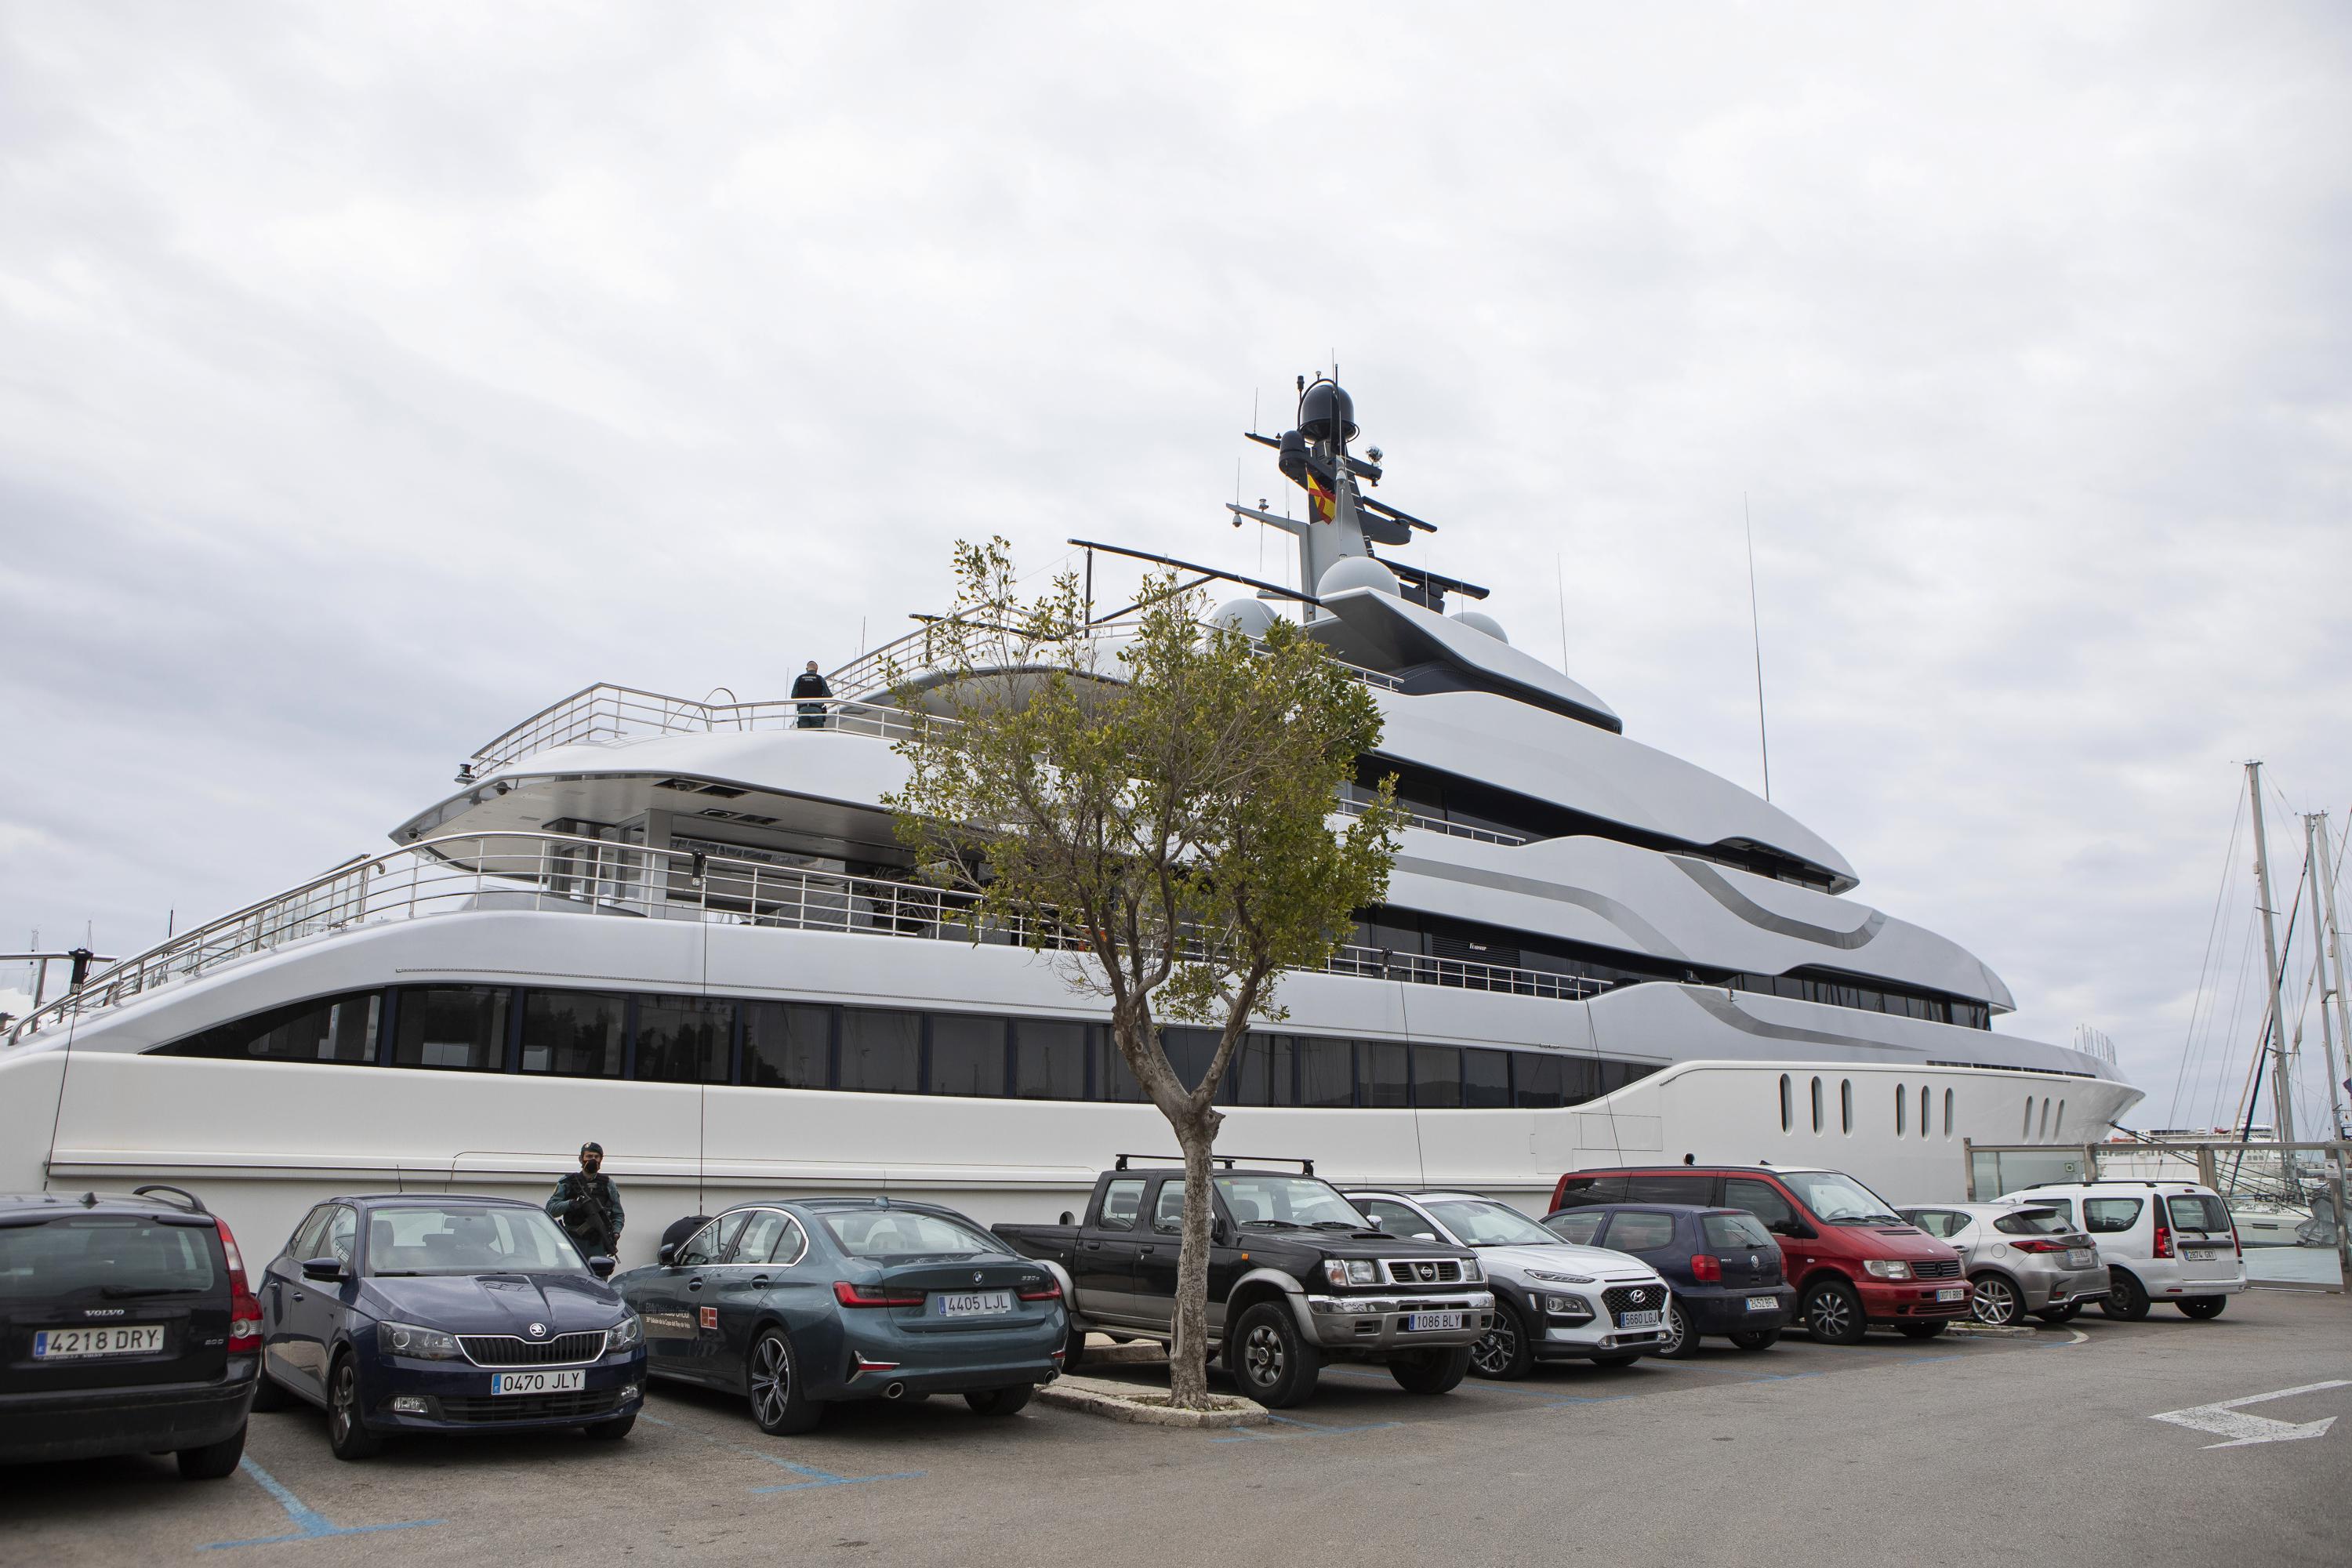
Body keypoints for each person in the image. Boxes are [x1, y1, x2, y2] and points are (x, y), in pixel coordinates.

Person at [546, 1142, 626, 1260]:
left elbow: (618, 1214)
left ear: (601, 1159)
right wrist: (570, 1204)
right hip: (573, 1242)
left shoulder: (608, 1184)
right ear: (581, 1159)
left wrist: (616, 1232)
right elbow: (550, 1209)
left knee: (599, 1275)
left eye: (596, 1157)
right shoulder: (568, 1182)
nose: (593, 1160)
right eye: (589, 1156)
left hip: (597, 1242)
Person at [792, 660, 831, 728]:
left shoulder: (799, 678)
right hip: (816, 710)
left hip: (803, 710)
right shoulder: (820, 679)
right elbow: (829, 695)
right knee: (817, 735)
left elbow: (793, 696)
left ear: (806, 669)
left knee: (804, 735)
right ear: (816, 670)